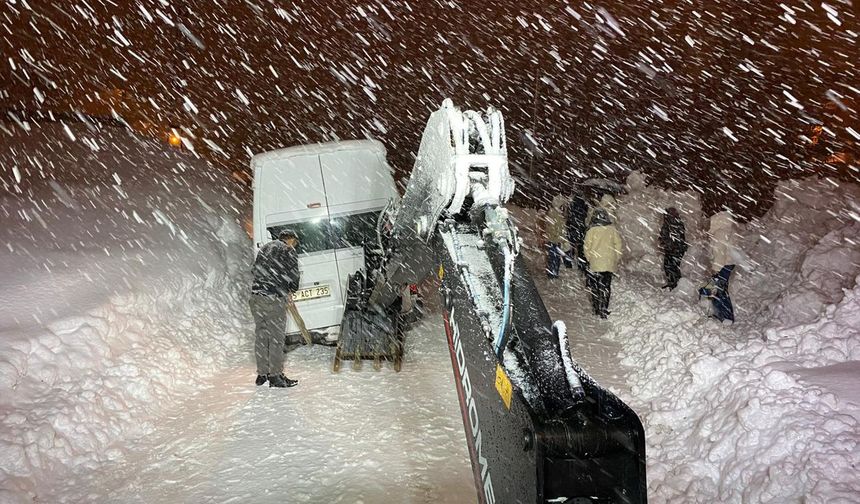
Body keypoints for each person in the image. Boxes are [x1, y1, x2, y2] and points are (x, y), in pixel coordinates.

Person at [250, 229, 301, 387]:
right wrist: (290, 289)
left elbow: (254, 270)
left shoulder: (265, 249)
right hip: (273, 298)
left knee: (262, 336)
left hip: (256, 297)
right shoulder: (288, 250)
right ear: (291, 239)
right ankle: (276, 376)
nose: (295, 245)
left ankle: (262, 374)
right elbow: (293, 276)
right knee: (276, 338)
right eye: (295, 242)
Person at [698, 209, 750, 323]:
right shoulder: (728, 229)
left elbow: (719, 252)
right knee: (720, 288)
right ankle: (723, 315)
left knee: (719, 289)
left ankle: (726, 317)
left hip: (722, 265)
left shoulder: (720, 233)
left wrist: (716, 270)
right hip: (728, 264)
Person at [583, 208, 623, 318]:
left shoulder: (591, 231)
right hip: (609, 263)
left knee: (595, 286)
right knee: (606, 286)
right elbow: (618, 245)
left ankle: (596, 308)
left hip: (595, 263)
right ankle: (604, 308)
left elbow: (586, 247)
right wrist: (616, 257)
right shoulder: (612, 230)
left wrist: (589, 258)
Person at [658, 207, 688, 290]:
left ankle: (675, 285)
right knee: (670, 266)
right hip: (673, 249)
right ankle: (673, 283)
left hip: (674, 249)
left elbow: (675, 238)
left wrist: (667, 243)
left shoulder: (673, 223)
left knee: (671, 267)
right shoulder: (672, 222)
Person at [544, 194, 571, 278]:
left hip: (551, 239)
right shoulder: (558, 215)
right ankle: (553, 273)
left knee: (552, 257)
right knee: (555, 257)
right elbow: (560, 229)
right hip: (556, 239)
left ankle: (552, 272)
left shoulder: (551, 213)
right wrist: (562, 237)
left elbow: (549, 227)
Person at [567, 192, 590, 271]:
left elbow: (569, 217)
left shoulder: (572, 205)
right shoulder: (583, 205)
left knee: (572, 246)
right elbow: (585, 215)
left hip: (573, 227)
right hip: (581, 228)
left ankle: (569, 263)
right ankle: (582, 265)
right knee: (581, 248)